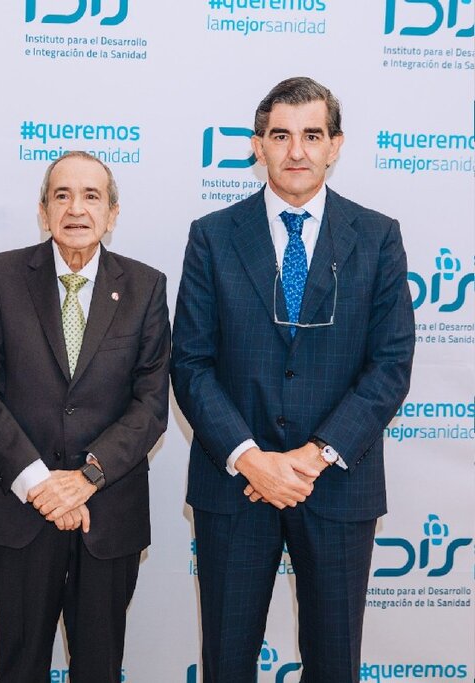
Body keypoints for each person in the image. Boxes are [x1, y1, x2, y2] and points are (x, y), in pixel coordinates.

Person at [171, 77, 415, 683]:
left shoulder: (378, 237)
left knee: (335, 665)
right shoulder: (212, 235)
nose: (297, 151)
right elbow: (191, 363)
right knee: (227, 663)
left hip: (336, 486)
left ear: (336, 145)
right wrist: (253, 460)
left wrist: (310, 457)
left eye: (312, 135)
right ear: (259, 145)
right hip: (236, 486)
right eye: (281, 135)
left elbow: (390, 364)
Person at [0, 151, 170, 682]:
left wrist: (86, 479)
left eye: (92, 196)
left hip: (109, 510)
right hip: (21, 511)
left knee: (99, 668)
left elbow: (150, 404)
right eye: (62, 195)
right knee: (20, 665)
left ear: (113, 214)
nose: (76, 208)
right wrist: (39, 484)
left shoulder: (146, 287)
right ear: (43, 210)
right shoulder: (2, 275)